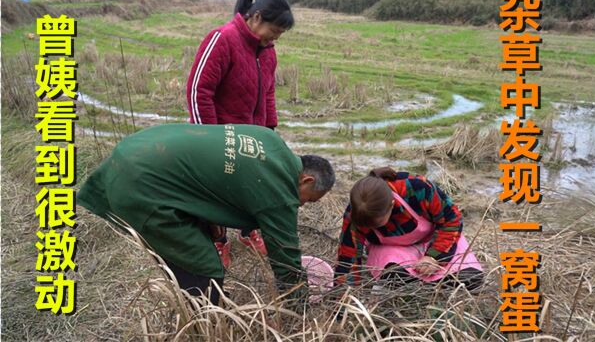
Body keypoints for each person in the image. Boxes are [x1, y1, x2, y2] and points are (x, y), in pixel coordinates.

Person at [77, 124, 335, 305]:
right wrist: (299, 303)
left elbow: (219, 178)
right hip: (143, 184)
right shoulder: (278, 190)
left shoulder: (270, 141)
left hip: (139, 148)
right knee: (204, 267)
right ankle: (203, 324)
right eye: (308, 200)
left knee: (193, 252)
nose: (301, 207)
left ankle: (197, 302)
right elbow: (286, 257)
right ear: (306, 180)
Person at [186, 0, 295, 265]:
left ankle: (249, 232)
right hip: (219, 135)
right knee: (215, 192)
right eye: (273, 31)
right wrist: (207, 140)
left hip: (252, 137)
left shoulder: (267, 52)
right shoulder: (222, 39)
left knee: (255, 187)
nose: (274, 39)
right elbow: (199, 91)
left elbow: (268, 93)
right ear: (256, 17)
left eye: (279, 35)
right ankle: (218, 240)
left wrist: (269, 131)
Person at [334, 167, 483, 291]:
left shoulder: (417, 188)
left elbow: (451, 220)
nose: (371, 229)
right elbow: (348, 256)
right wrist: (344, 300)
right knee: (395, 278)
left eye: (376, 224)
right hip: (392, 250)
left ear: (391, 206)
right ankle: (424, 289)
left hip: (435, 240)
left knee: (470, 279)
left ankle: (430, 287)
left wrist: (434, 257)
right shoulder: (356, 213)